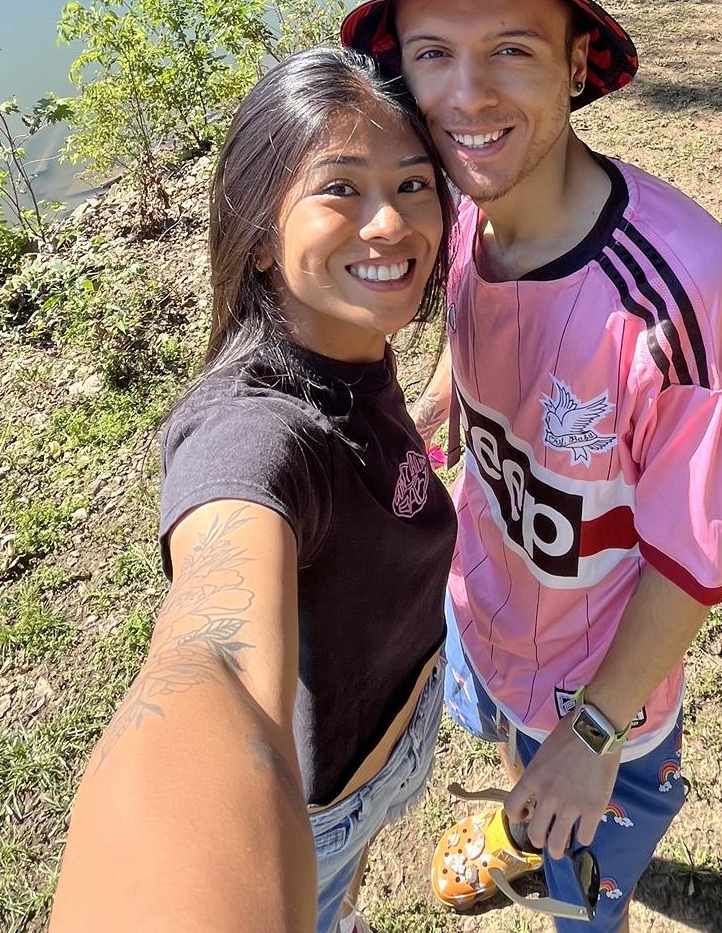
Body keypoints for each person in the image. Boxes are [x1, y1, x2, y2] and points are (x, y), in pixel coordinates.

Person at [341, 0, 722, 931]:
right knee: (508, 751)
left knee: (582, 889)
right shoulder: (461, 214)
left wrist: (594, 736)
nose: (466, 97)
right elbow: (480, 324)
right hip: (485, 598)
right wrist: (444, 393)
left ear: (579, 62)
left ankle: (555, 851)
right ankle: (514, 820)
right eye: (433, 52)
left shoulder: (680, 291)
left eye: (512, 50)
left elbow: (692, 555)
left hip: (597, 683)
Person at [51, 46, 458, 933]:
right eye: (340, 189)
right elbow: (216, 665)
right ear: (263, 240)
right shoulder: (254, 434)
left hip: (393, 731)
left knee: (347, 886)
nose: (392, 223)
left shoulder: (348, 343)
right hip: (319, 810)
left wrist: (438, 401)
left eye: (413, 184)